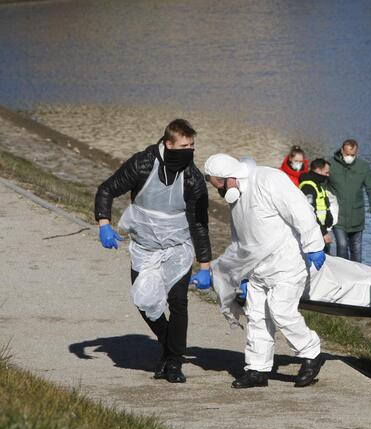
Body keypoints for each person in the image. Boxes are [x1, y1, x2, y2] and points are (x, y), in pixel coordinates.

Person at [94, 119, 212, 384]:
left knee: (178, 302)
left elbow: (200, 224)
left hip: (177, 249)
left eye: (192, 145)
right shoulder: (143, 164)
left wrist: (205, 265)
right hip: (145, 247)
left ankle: (174, 363)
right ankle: (169, 346)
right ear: (168, 144)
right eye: (184, 145)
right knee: (144, 301)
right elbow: (107, 189)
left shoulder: (192, 178)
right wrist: (104, 224)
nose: (190, 150)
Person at [205, 153, 326, 389]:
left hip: (286, 263)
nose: (219, 193)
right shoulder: (236, 196)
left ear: (230, 178)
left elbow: (299, 210)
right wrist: (242, 274)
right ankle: (257, 369)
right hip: (257, 268)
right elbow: (240, 236)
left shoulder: (269, 179)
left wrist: (314, 245)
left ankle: (312, 353)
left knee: (281, 311)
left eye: (219, 186)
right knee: (257, 317)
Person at [328, 138, 371, 262]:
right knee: (342, 245)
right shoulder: (330, 165)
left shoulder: (363, 166)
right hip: (338, 216)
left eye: (353, 155)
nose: (349, 157)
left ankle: (358, 275)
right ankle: (342, 274)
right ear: (341, 151)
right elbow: (322, 185)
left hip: (357, 216)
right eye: (347, 154)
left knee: (356, 249)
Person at [299, 158, 334, 253]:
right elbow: (310, 212)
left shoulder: (317, 184)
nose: (328, 175)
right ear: (318, 170)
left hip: (320, 230)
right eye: (326, 173)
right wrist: (324, 232)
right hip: (315, 233)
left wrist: (329, 217)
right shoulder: (308, 187)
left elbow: (322, 206)